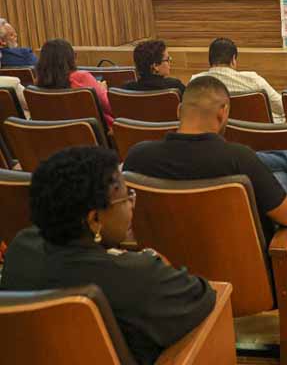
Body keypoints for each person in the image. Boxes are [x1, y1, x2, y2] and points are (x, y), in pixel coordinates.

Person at [0, 146, 216, 364]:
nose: (132, 204)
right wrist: (160, 265)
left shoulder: (20, 247)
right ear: (94, 219)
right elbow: (202, 295)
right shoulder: (137, 276)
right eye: (126, 198)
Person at [125, 76, 287, 242]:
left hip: (163, 267)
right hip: (240, 264)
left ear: (179, 110)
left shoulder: (137, 156)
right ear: (223, 113)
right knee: (285, 178)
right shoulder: (239, 158)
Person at [191, 37, 285, 122]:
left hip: (214, 136)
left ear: (210, 60)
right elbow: (282, 107)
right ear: (233, 60)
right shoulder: (253, 80)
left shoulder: (195, 82)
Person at [36, 38, 114, 128]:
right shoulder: (81, 77)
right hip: (91, 135)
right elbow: (111, 107)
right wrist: (102, 89)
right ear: (70, 58)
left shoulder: (38, 83)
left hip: (53, 136)